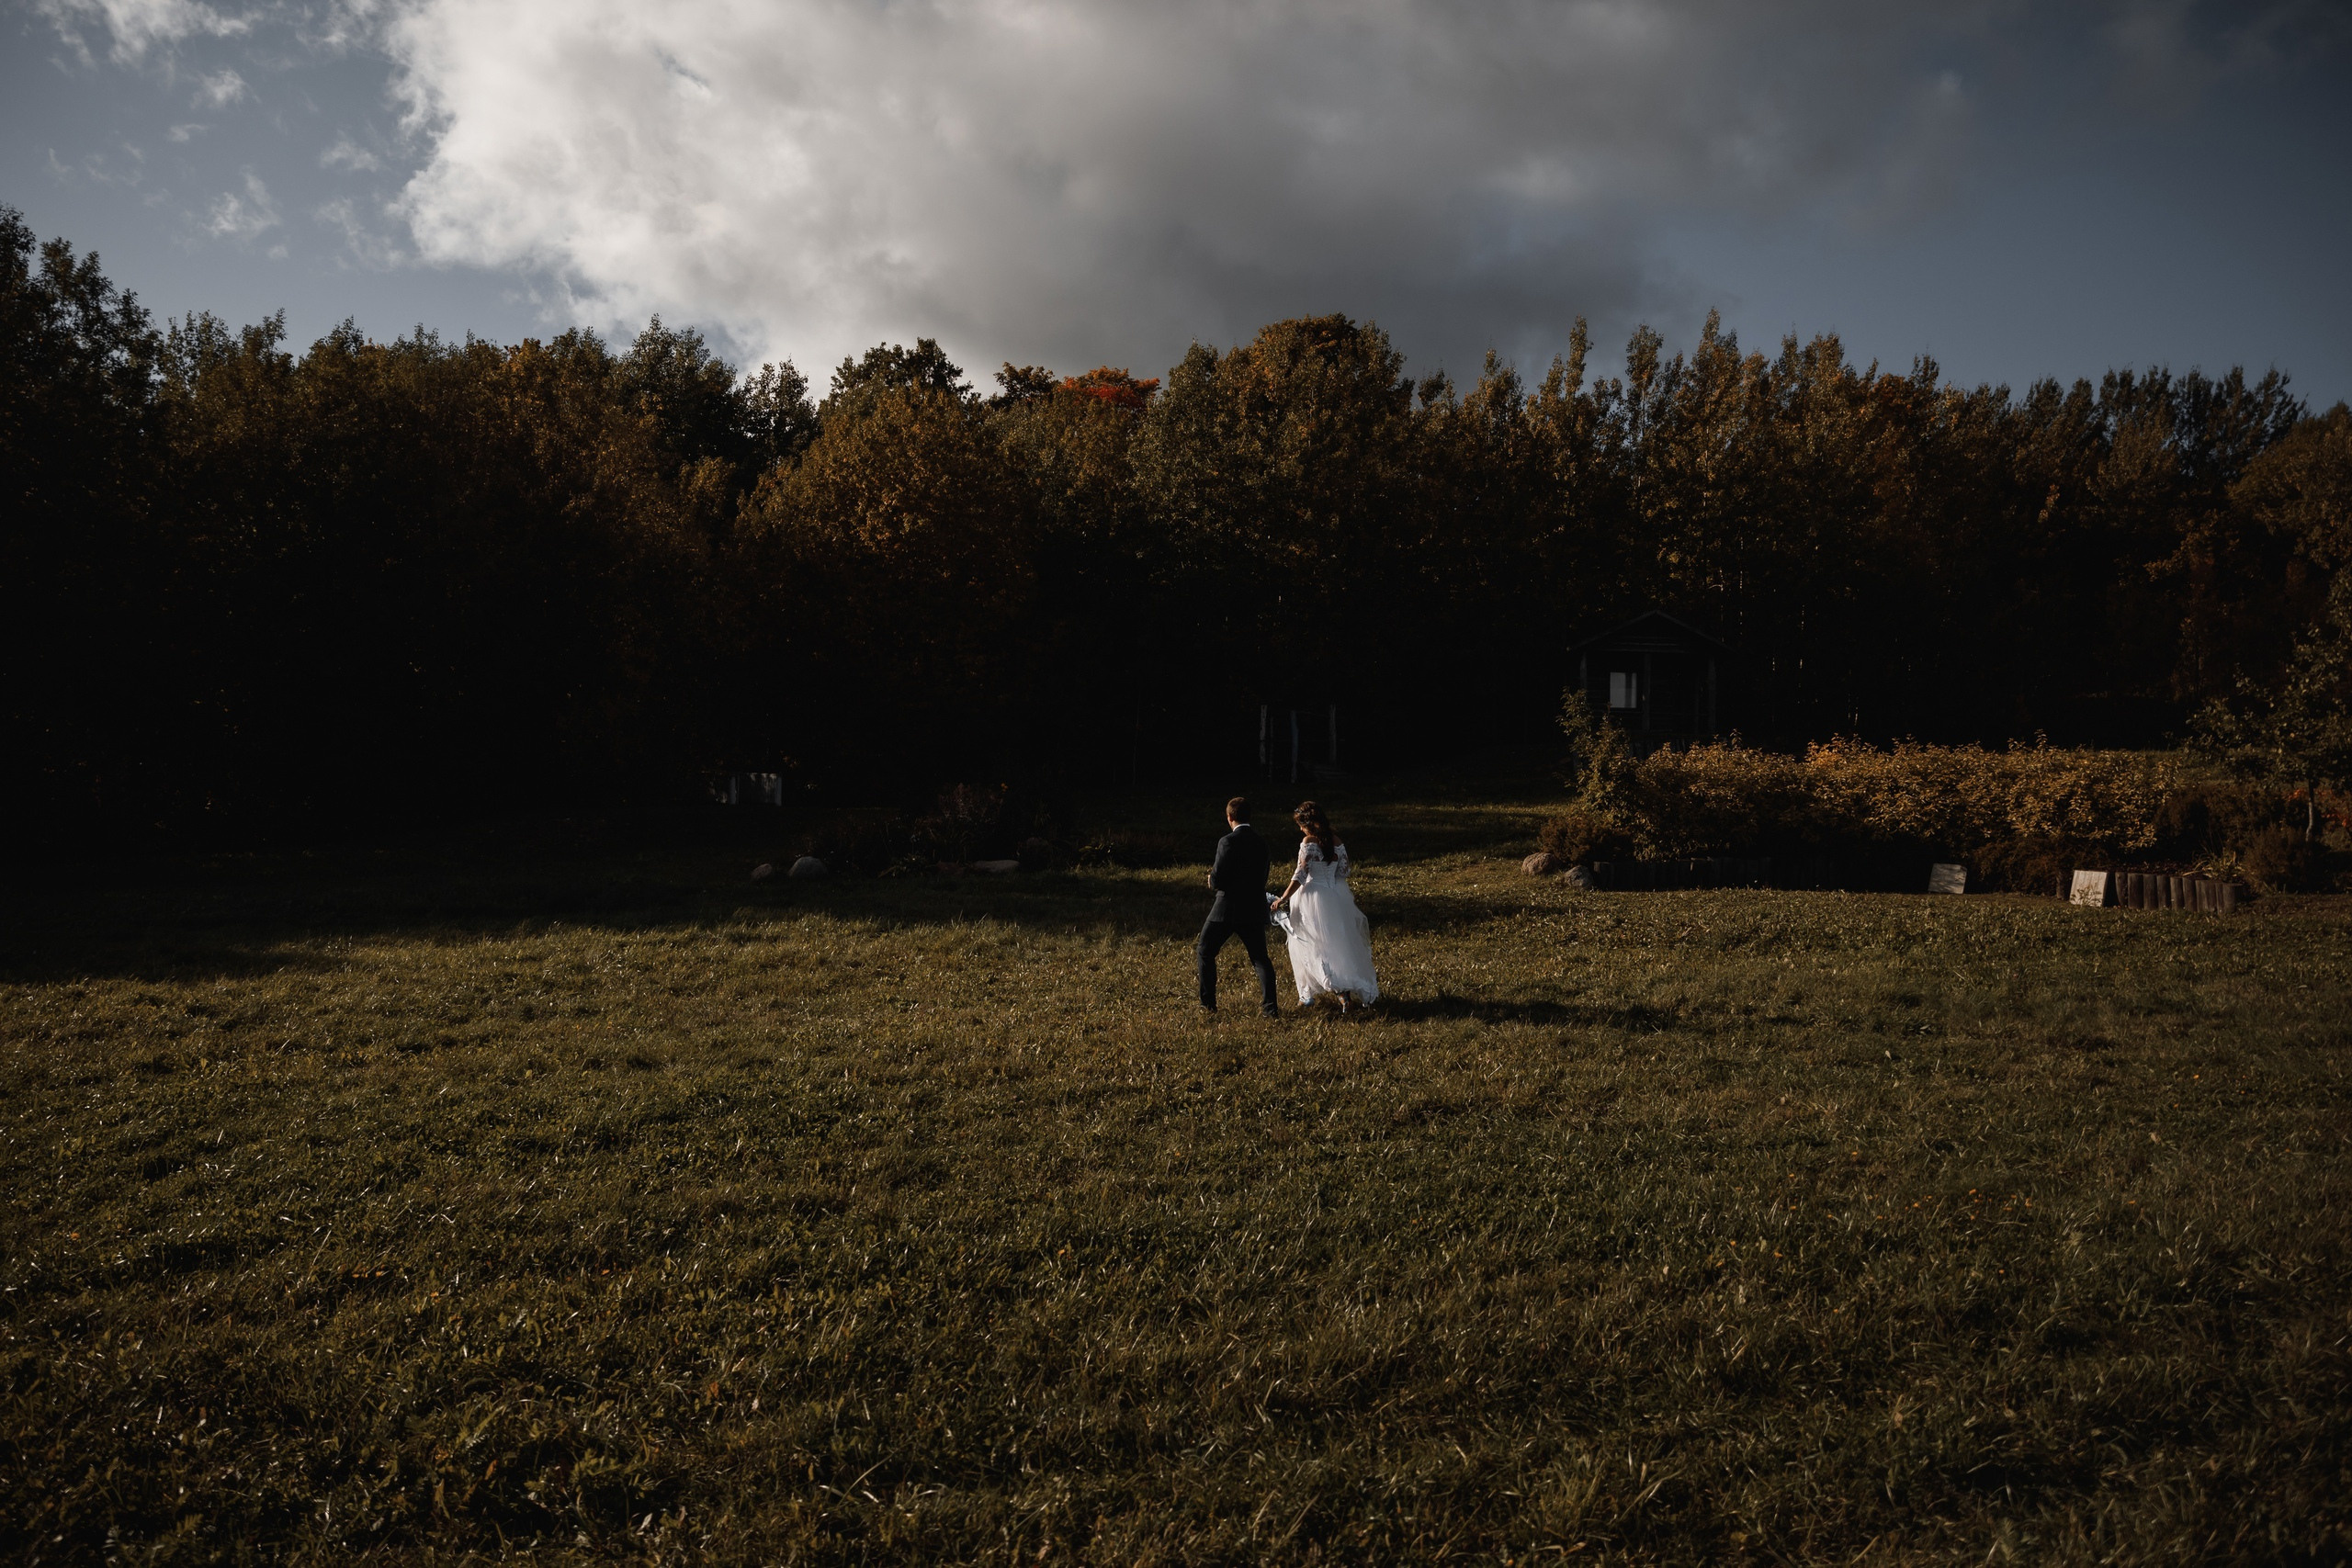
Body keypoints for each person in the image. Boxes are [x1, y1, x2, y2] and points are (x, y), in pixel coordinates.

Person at [1270, 799, 1379, 1010]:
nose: (1300, 829)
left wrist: (1282, 897)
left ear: (1306, 824)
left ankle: (1311, 993)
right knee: (1336, 944)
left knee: (1308, 943)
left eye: (1300, 825)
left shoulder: (1308, 841)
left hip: (1310, 897)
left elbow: (1301, 874)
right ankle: (1342, 993)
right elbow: (1344, 871)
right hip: (1334, 897)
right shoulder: (1336, 840)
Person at [1197, 795, 1280, 1017]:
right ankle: (1270, 1008)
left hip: (1226, 909)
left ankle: (1208, 1005)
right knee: (1260, 958)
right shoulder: (1261, 842)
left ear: (1229, 817)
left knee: (1205, 951)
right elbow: (1263, 876)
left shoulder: (1227, 842)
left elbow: (1218, 877)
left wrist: (1211, 880)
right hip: (1253, 907)